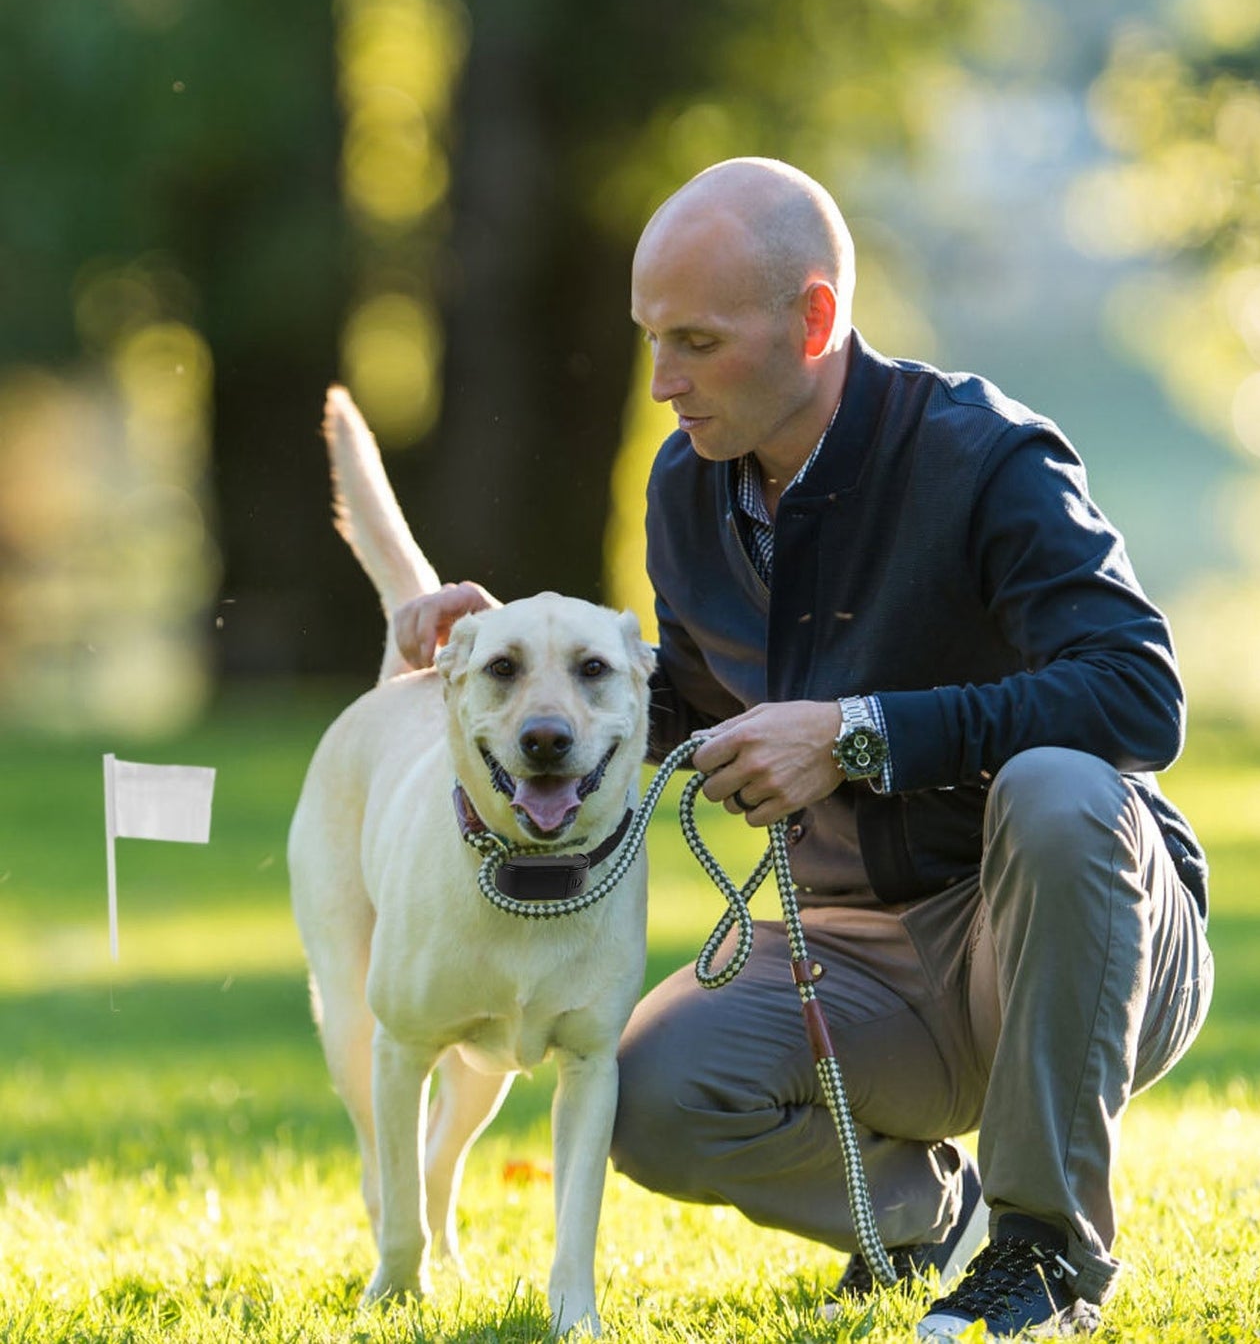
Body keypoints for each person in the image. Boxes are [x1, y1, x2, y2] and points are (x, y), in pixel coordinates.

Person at [393, 157, 1213, 1339]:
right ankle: (930, 1218)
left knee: (1055, 789)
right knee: (650, 1096)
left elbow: (1138, 696)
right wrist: (506, 648)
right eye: (648, 340)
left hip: (1061, 924)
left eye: (695, 341)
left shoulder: (986, 456)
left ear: (813, 317)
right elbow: (678, 702)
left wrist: (859, 735)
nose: (662, 382)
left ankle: (1042, 1258)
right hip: (850, 948)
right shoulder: (686, 483)